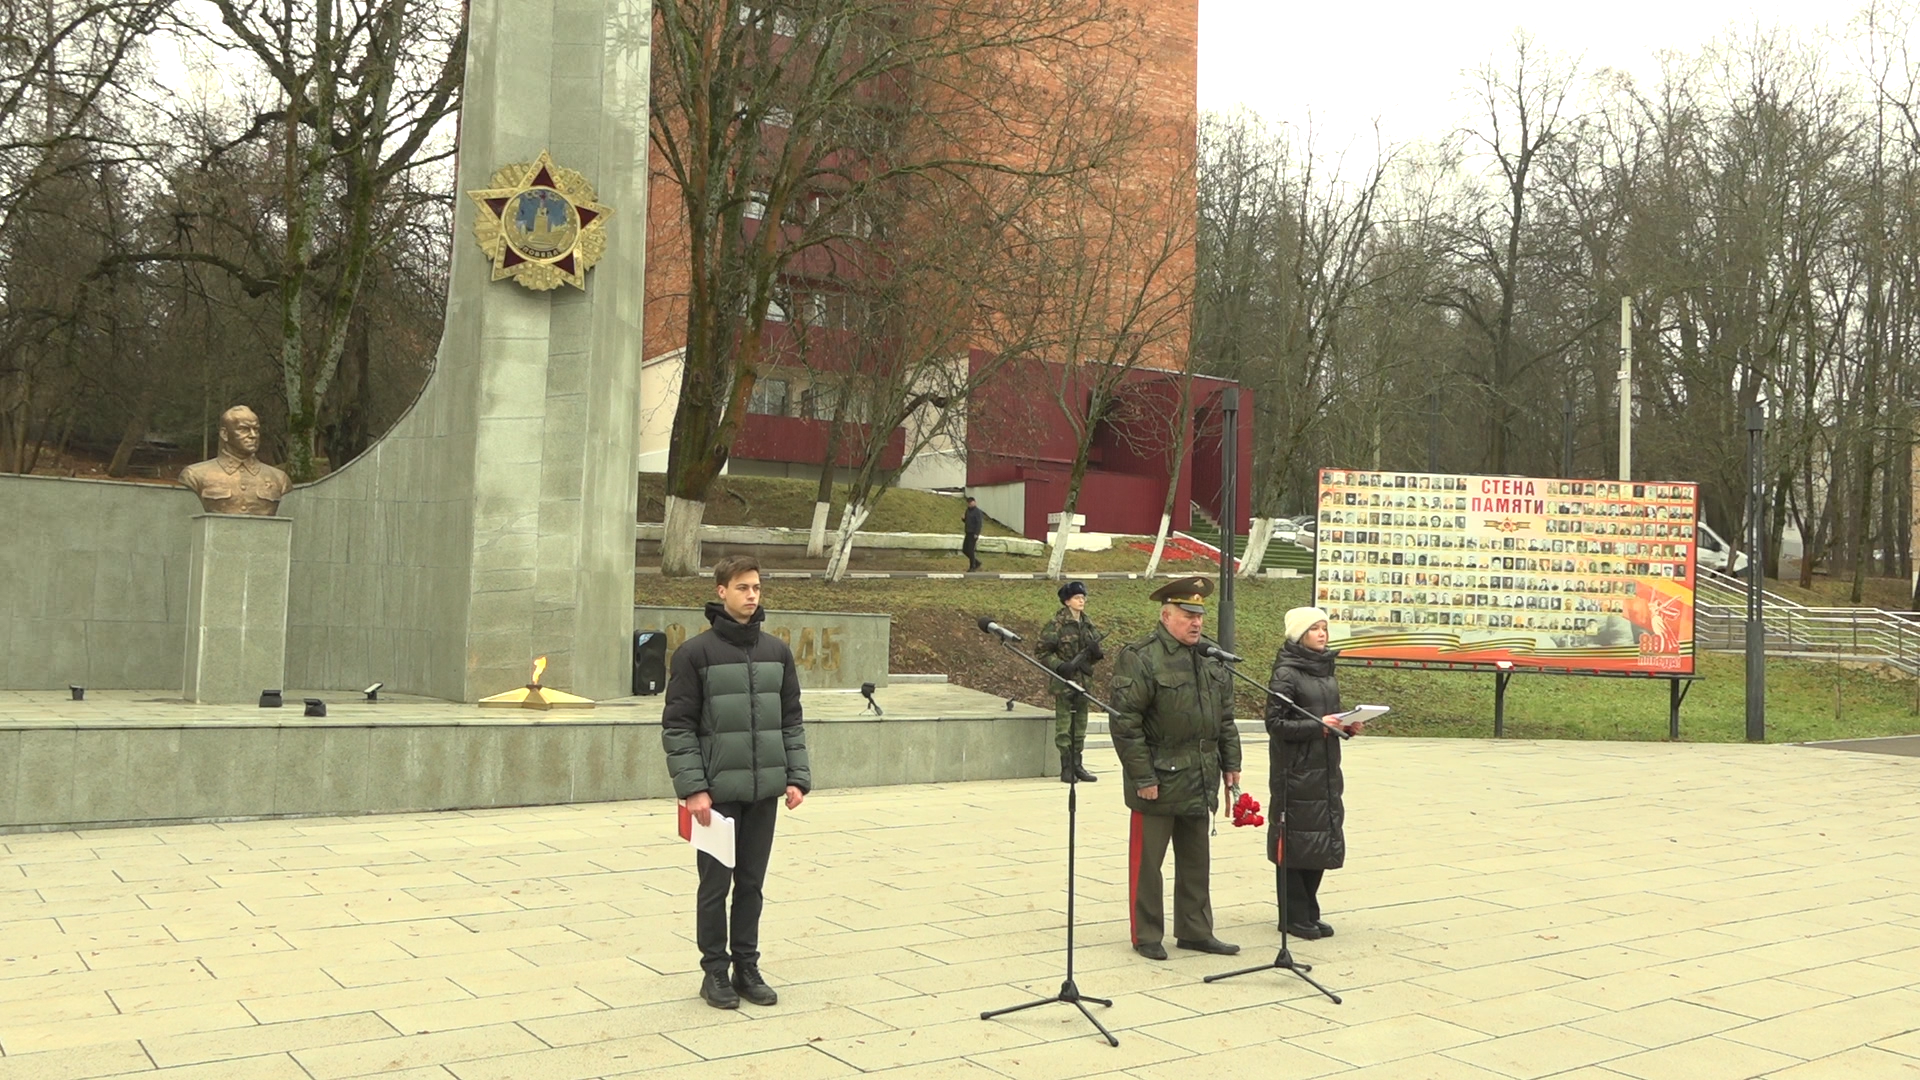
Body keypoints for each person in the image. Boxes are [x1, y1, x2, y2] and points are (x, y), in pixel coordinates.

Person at [661, 555, 811, 1009]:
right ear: (721, 591)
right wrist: (693, 789)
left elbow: (790, 721)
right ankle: (714, 973)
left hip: (763, 792)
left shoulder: (777, 652)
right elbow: (678, 726)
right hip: (714, 797)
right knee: (714, 886)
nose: (752, 596)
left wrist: (796, 777)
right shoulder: (694, 654)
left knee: (751, 884)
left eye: (757, 588)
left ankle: (747, 966)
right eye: (743, 587)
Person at [1108, 576, 1242, 960]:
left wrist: (1231, 763)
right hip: (1159, 776)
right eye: (1187, 615)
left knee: (1196, 859)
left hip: (1201, 772)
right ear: (1166, 616)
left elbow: (1226, 717)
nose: (1196, 622)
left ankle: (1196, 930)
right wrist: (1143, 777)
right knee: (1149, 862)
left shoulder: (1212, 655)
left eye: (1199, 615)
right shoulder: (1141, 657)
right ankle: (1146, 934)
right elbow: (1125, 723)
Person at [1265, 606, 1364, 941]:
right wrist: (1318, 726)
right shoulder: (1286, 673)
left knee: (1319, 840)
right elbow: (1276, 724)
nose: (1323, 634)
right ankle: (1292, 915)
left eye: (1324, 627)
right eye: (1315, 629)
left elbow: (1330, 718)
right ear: (1299, 635)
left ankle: (1309, 910)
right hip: (1295, 771)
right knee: (1295, 841)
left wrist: (1347, 726)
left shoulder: (1325, 672)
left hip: (1324, 768)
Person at [1037, 580, 1104, 783]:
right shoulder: (1056, 624)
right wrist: (1060, 666)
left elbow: (1095, 653)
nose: (1081, 601)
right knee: (1064, 726)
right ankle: (1066, 767)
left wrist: (1095, 653)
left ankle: (1078, 765)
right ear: (1067, 601)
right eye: (1077, 597)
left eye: (1083, 597)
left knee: (1080, 725)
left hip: (1083, 682)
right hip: (1064, 682)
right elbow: (1042, 652)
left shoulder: (1088, 623)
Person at [178, 405, 292, 515]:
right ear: (225, 434)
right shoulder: (194, 475)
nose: (253, 435)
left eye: (256, 429)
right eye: (244, 429)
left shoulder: (279, 479)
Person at [962, 496, 984, 571]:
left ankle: (972, 566)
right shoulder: (967, 511)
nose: (970, 504)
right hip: (968, 532)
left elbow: (979, 524)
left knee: (970, 550)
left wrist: (976, 533)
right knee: (965, 550)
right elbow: (967, 521)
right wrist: (963, 519)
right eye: (969, 503)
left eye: (971, 503)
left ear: (974, 502)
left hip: (973, 533)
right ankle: (976, 562)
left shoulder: (977, 512)